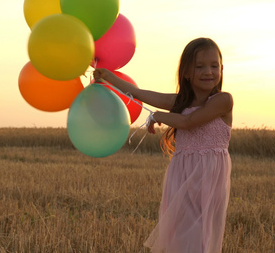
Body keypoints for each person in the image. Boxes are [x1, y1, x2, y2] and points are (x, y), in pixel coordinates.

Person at [93, 37, 233, 253]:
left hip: (208, 179)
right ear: (186, 72)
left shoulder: (223, 101)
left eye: (214, 66)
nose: (208, 71)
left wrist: (159, 116)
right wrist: (108, 76)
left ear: (221, 69)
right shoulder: (181, 102)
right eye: (200, 66)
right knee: (180, 235)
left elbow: (188, 122)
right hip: (182, 176)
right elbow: (140, 94)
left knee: (200, 237)